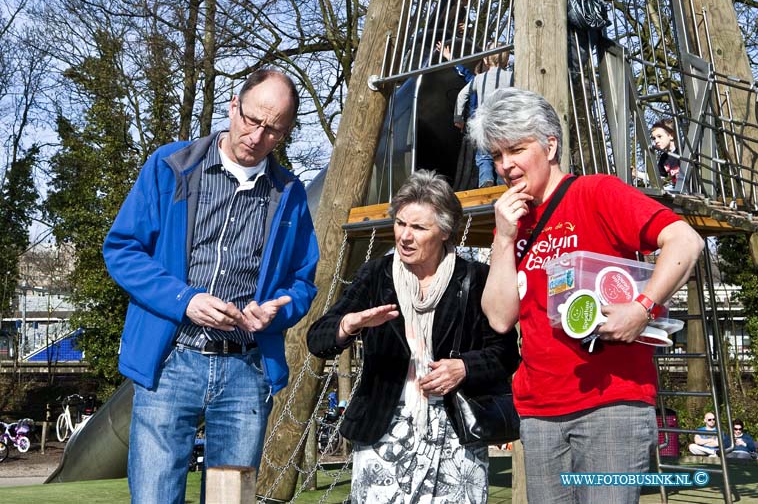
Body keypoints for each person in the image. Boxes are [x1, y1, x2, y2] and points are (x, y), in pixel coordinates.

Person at [470, 88, 704, 503]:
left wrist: (642, 308)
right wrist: (503, 238)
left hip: (610, 402)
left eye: (517, 150)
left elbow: (685, 242)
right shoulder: (514, 223)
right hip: (539, 410)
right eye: (497, 155)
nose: (506, 166)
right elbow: (499, 318)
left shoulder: (596, 192)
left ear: (550, 145)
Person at [103, 68, 320, 503]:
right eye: (252, 120)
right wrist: (186, 300)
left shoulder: (290, 194)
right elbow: (122, 250)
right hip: (170, 362)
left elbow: (302, 282)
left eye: (273, 129)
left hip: (246, 370)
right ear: (232, 107)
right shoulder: (170, 167)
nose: (257, 136)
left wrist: (278, 308)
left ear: (285, 134)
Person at [307, 170, 520, 503]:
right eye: (400, 223)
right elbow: (318, 338)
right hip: (383, 430)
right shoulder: (376, 274)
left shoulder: (474, 278)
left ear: (445, 231)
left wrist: (463, 367)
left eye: (419, 227)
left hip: (456, 433)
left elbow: (506, 354)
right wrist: (350, 324)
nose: (405, 236)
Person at [454, 45, 514, 188]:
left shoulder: (480, 78)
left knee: (483, 156)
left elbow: (462, 95)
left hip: (484, 123)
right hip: (504, 123)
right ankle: (502, 182)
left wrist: (458, 118)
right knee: (502, 153)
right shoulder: (512, 77)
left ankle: (485, 180)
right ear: (506, 61)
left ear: (486, 60)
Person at [651, 118, 681, 189]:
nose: (656, 141)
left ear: (671, 136)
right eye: (654, 138)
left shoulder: (683, 152)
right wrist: (637, 173)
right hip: (677, 190)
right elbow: (657, 177)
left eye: (659, 136)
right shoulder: (664, 158)